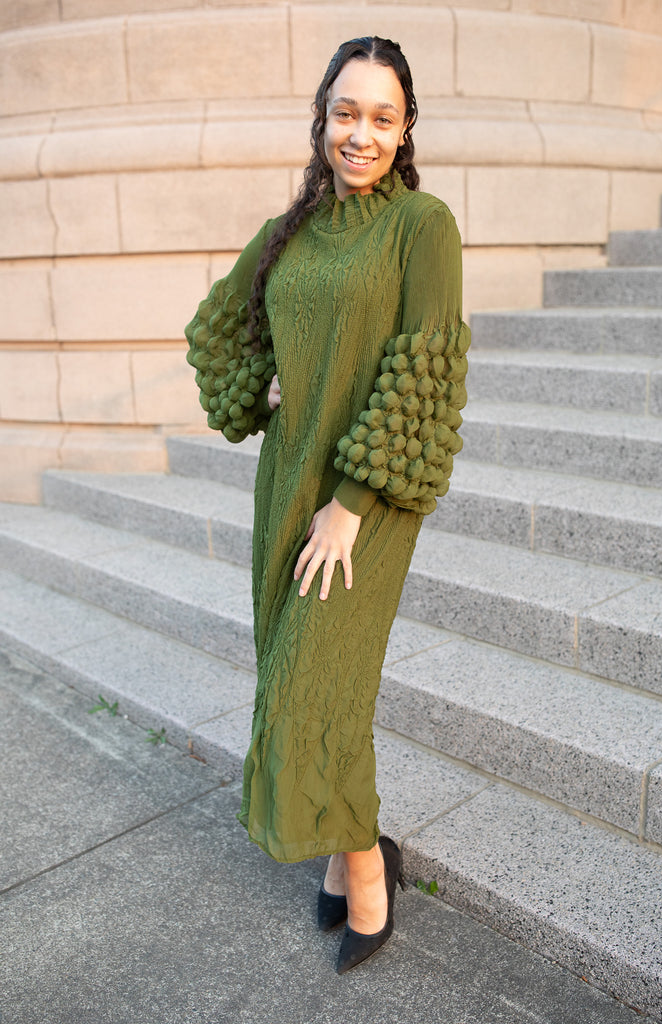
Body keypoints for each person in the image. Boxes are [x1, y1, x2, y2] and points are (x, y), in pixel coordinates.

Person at [185, 35, 470, 974]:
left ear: (406, 127)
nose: (360, 133)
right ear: (321, 118)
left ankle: (367, 870)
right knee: (299, 678)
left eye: (381, 117)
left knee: (314, 684)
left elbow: (426, 366)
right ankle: (357, 854)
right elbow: (219, 329)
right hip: (287, 482)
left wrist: (348, 502)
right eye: (345, 112)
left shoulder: (422, 226)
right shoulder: (292, 230)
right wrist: (258, 388)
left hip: (367, 498)